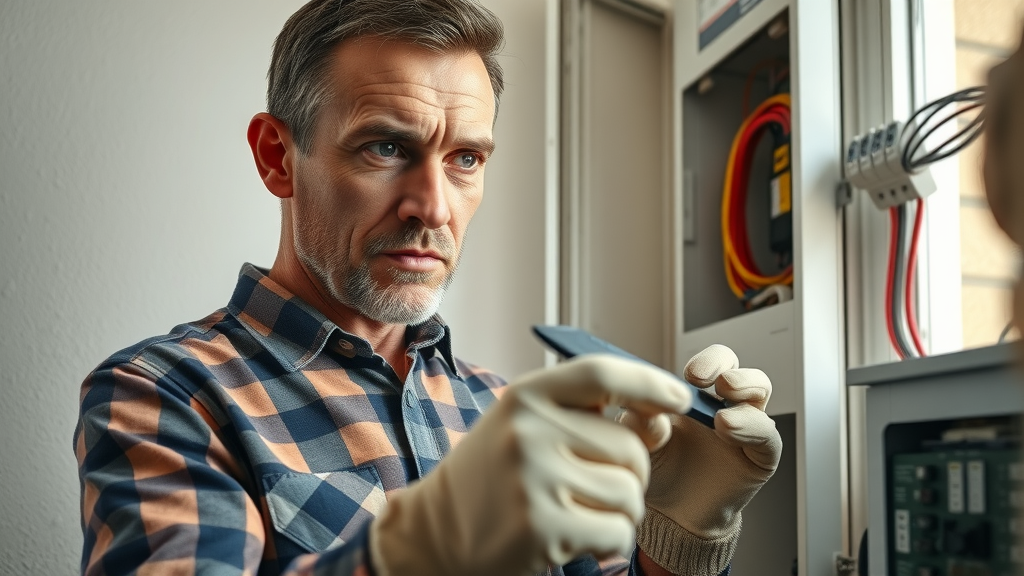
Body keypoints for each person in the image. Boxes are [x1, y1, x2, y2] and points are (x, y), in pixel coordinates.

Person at [74, 1, 783, 575]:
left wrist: (680, 533)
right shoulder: (164, 395)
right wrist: (411, 555)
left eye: (466, 157)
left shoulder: (505, 410)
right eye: (386, 147)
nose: (434, 206)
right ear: (277, 158)